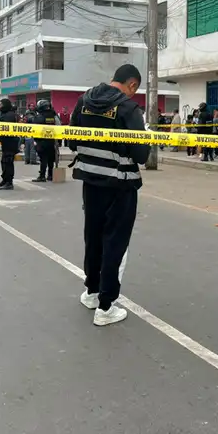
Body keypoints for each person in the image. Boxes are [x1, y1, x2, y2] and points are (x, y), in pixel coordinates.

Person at [69, 64, 149, 327]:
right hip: (120, 185)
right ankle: (106, 306)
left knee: (93, 237)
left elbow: (71, 140)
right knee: (115, 243)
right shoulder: (128, 108)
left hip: (91, 182)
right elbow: (141, 155)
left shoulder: (84, 101)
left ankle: (92, 292)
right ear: (132, 84)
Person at [31, 99, 59, 182]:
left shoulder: (39, 117)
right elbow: (59, 125)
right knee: (51, 159)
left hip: (42, 141)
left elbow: (35, 128)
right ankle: (50, 175)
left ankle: (42, 176)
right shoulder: (54, 115)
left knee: (43, 159)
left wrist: (35, 140)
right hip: (52, 140)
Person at [0, 98, 20, 190]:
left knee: (8, 162)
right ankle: (5, 179)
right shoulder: (3, 113)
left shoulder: (10, 115)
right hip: (5, 142)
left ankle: (9, 182)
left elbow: (4, 127)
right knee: (4, 162)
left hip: (10, 141)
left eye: (1, 104)